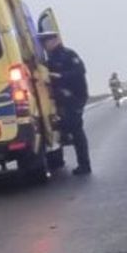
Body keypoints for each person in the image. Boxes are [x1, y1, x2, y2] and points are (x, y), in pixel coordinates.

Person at [40, 30, 92, 175]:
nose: (45, 45)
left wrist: (60, 76)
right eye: (43, 42)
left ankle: (84, 165)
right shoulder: (49, 60)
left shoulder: (69, 54)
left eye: (47, 41)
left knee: (76, 130)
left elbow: (80, 71)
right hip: (60, 100)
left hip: (75, 98)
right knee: (59, 128)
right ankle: (57, 161)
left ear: (56, 40)